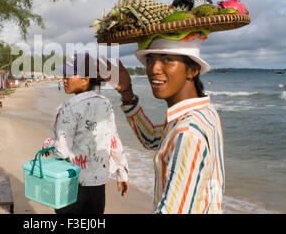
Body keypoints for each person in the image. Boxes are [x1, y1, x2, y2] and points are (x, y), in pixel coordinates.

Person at [99, 37, 224, 214]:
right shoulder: (205, 111)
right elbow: (152, 139)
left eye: (167, 59)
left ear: (192, 70)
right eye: (150, 60)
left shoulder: (187, 132)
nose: (153, 69)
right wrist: (127, 92)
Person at [43, 53, 129, 214]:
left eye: (69, 75)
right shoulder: (105, 103)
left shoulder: (68, 108)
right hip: (97, 188)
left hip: (71, 185)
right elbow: (114, 140)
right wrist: (122, 173)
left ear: (85, 78)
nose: (64, 79)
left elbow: (62, 151)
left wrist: (47, 144)